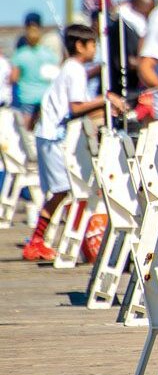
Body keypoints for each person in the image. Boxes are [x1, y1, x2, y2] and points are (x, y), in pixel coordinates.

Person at [21, 25, 127, 261]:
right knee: (64, 190)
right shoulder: (75, 69)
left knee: (66, 190)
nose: (95, 49)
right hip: (53, 137)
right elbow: (76, 107)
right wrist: (106, 99)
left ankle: (49, 239)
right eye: (93, 45)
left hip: (48, 135)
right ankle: (38, 241)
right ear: (80, 46)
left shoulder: (72, 68)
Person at [10, 12, 60, 128]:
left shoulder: (20, 54)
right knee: (45, 131)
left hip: (26, 99)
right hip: (45, 98)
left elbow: (14, 78)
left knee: (28, 135)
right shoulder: (49, 54)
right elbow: (55, 75)